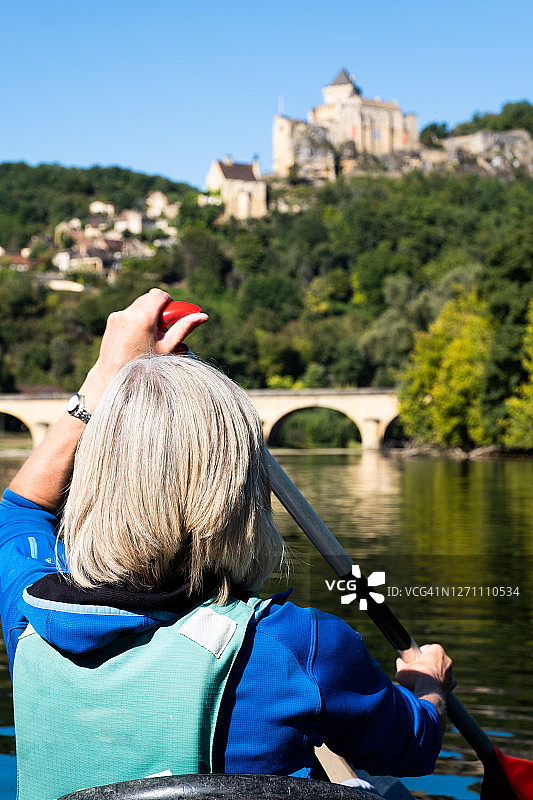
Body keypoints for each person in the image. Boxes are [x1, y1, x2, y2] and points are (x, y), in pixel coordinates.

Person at [0, 289, 454, 800]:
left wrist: (101, 380)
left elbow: (19, 510)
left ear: (99, 477)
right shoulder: (301, 646)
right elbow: (412, 748)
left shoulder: (32, 615)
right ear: (241, 493)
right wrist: (426, 686)